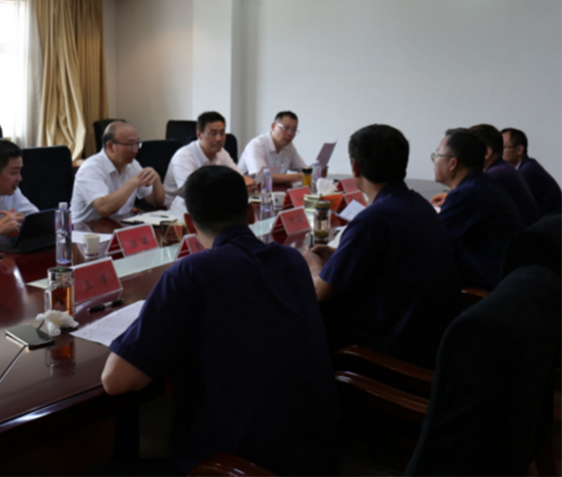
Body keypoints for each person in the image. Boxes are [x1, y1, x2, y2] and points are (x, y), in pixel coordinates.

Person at [100, 165, 339, 477]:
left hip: (235, 464)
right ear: (251, 213)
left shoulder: (191, 272)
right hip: (315, 452)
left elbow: (116, 381)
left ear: (189, 223)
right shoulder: (291, 259)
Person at [302, 125, 460, 368]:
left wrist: (312, 264)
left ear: (355, 167)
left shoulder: (373, 219)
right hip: (430, 342)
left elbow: (319, 293)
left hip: (390, 353)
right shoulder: (418, 205)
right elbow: (389, 260)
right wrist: (340, 255)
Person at [432, 128, 525, 291]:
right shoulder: (482, 183)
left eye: (437, 155)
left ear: (453, 163)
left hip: (487, 284)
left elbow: (432, 240)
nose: (434, 162)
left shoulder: (467, 194)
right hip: (505, 275)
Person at [70, 121, 165, 223]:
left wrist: (156, 180)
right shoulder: (90, 168)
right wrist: (133, 183)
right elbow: (103, 209)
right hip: (85, 229)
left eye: (137, 143)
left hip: (119, 225)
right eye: (130, 144)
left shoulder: (133, 164)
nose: (135, 150)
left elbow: (156, 202)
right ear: (110, 146)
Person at [163, 111, 255, 207]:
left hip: (210, 206)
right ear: (199, 134)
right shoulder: (184, 156)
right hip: (177, 209)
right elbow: (193, 193)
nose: (219, 138)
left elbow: (241, 179)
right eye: (213, 133)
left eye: (222, 133)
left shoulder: (221, 153)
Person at [501, 127, 562, 216]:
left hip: (550, 221)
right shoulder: (524, 167)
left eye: (502, 148)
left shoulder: (527, 171)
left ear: (519, 150)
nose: (498, 153)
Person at [237, 110, 306, 183]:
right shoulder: (256, 145)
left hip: (273, 189)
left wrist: (309, 172)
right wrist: (298, 176)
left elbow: (304, 169)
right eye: (286, 128)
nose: (290, 133)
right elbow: (263, 176)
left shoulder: (289, 147)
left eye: (294, 130)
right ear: (273, 126)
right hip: (247, 189)